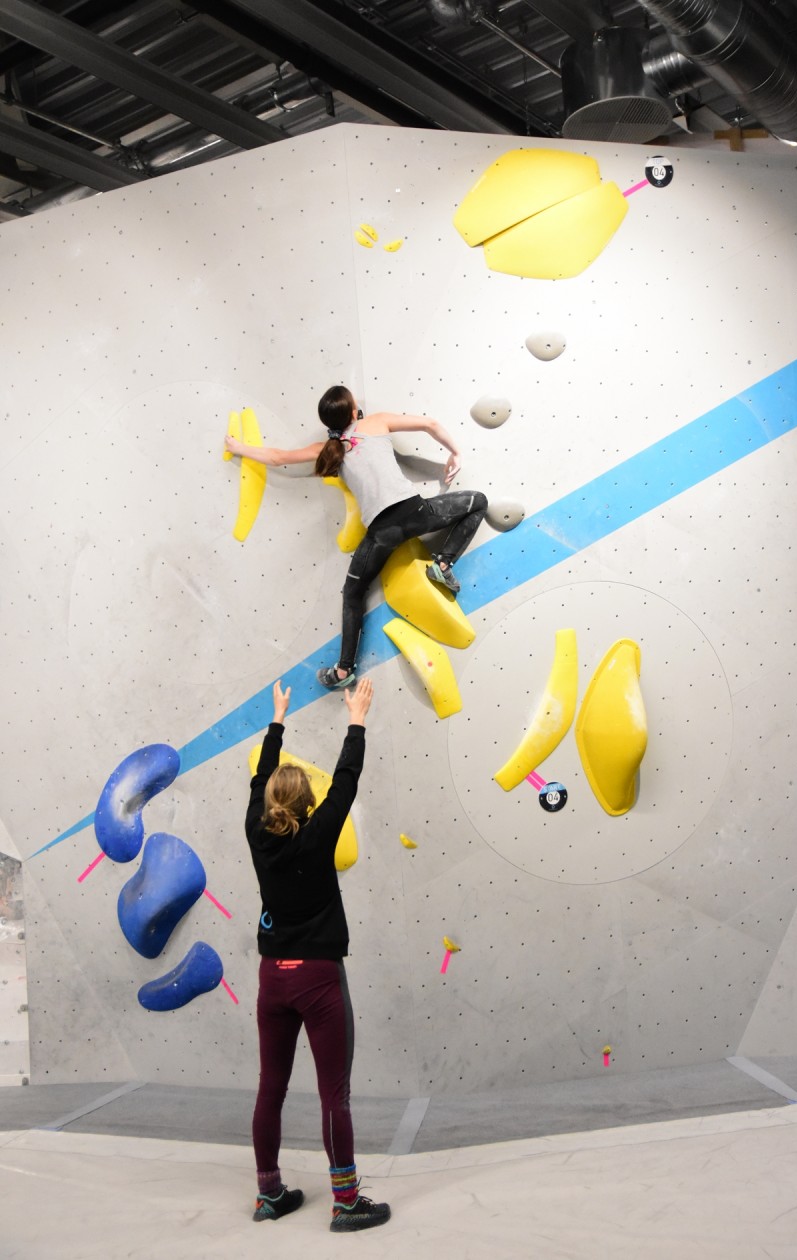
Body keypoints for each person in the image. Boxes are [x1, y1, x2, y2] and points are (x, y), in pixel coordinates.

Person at [245, 675, 390, 1233]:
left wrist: (278, 719)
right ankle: (347, 1202)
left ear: (267, 806)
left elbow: (261, 776)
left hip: (271, 980)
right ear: (307, 803)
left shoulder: (258, 834)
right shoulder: (319, 831)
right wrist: (356, 719)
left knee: (270, 1088)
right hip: (318, 980)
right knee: (335, 1094)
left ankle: (269, 1194)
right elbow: (347, 781)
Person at [225, 386, 487, 689]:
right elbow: (430, 424)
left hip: (381, 532)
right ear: (353, 412)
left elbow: (277, 457)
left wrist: (237, 447)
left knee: (352, 594)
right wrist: (455, 452)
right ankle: (442, 565)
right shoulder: (375, 422)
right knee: (478, 501)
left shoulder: (327, 450)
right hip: (417, 513)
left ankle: (343, 671)